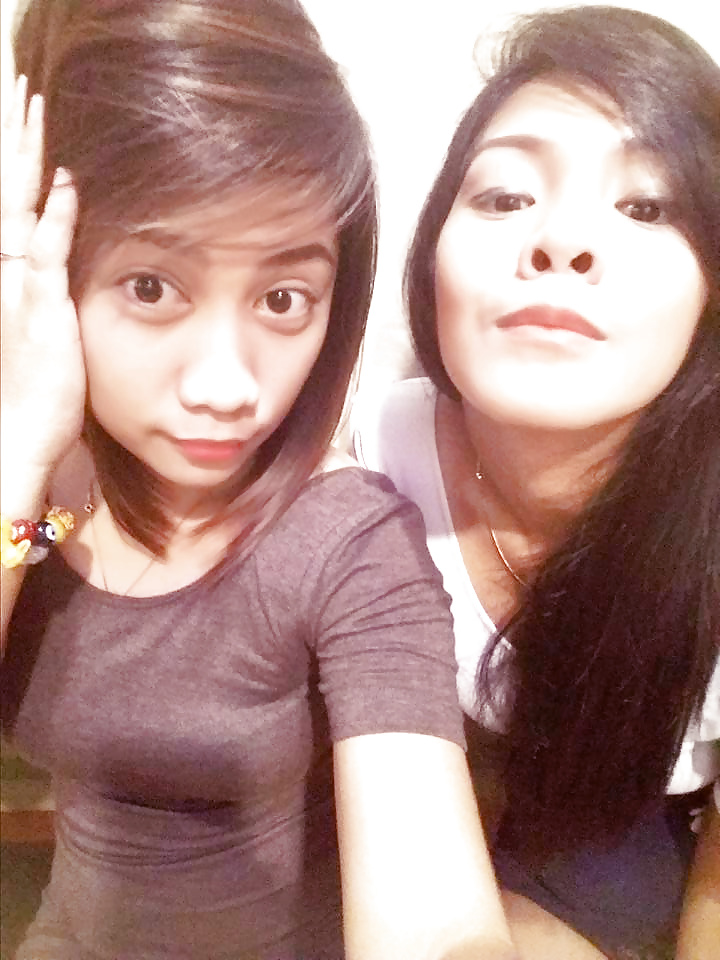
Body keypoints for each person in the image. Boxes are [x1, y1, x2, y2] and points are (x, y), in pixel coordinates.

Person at [0, 2, 519, 958]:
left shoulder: (345, 543)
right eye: (152, 286)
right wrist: (20, 457)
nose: (227, 387)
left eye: (284, 298)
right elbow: (27, 537)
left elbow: (439, 925)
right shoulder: (44, 513)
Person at [352, 6, 720, 960]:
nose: (562, 242)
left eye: (647, 207)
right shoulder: (364, 449)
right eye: (506, 196)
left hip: (624, 818)